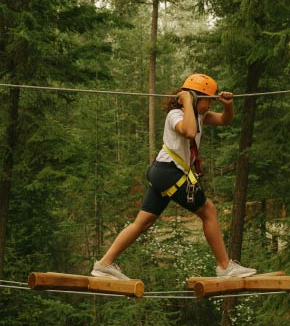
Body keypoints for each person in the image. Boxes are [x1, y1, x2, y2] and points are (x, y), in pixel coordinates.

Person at [91, 73, 256, 280]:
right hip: (170, 171)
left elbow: (225, 120)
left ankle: (104, 264)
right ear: (196, 98)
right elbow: (188, 131)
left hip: (164, 173)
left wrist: (228, 105)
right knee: (208, 211)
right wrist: (187, 101)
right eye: (208, 100)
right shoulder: (176, 115)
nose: (210, 105)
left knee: (143, 222)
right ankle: (225, 267)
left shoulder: (199, 115)